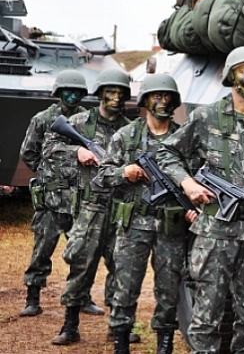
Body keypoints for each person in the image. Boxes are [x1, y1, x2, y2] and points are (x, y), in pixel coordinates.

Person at [157, 45, 244, 353]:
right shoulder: (207, 117)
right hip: (215, 233)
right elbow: (167, 153)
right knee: (206, 318)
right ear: (231, 76)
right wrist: (188, 184)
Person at [93, 74, 185, 354]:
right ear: (145, 100)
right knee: (125, 287)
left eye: (167, 97)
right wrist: (125, 172)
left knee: (169, 290)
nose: (162, 101)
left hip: (171, 226)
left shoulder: (184, 137)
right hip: (133, 224)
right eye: (156, 96)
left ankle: (164, 345)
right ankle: (121, 342)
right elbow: (100, 178)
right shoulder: (127, 136)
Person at [45, 68, 136, 345]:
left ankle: (118, 327)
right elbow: (49, 147)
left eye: (121, 93)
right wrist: (78, 151)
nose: (116, 98)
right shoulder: (80, 122)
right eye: (110, 92)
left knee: (121, 268)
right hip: (90, 208)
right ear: (100, 93)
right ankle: (70, 325)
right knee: (81, 266)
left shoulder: (130, 129)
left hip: (121, 208)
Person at [18, 69, 104, 317]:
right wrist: (49, 173)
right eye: (67, 91)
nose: (72, 95)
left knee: (80, 252)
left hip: (79, 199)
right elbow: (29, 152)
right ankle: (32, 298)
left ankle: (82, 297)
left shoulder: (88, 120)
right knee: (42, 250)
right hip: (52, 200)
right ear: (58, 92)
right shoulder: (43, 119)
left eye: (77, 91)